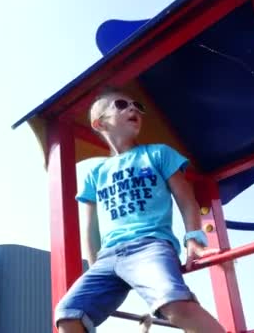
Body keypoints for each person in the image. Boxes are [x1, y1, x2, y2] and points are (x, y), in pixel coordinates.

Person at [54, 89, 225, 333]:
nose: (133, 109)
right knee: (68, 315)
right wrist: (95, 268)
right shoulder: (95, 174)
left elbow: (186, 199)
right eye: (121, 105)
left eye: (137, 106)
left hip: (149, 245)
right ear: (99, 122)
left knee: (173, 304)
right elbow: (91, 229)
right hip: (107, 258)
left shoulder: (157, 154)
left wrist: (194, 238)